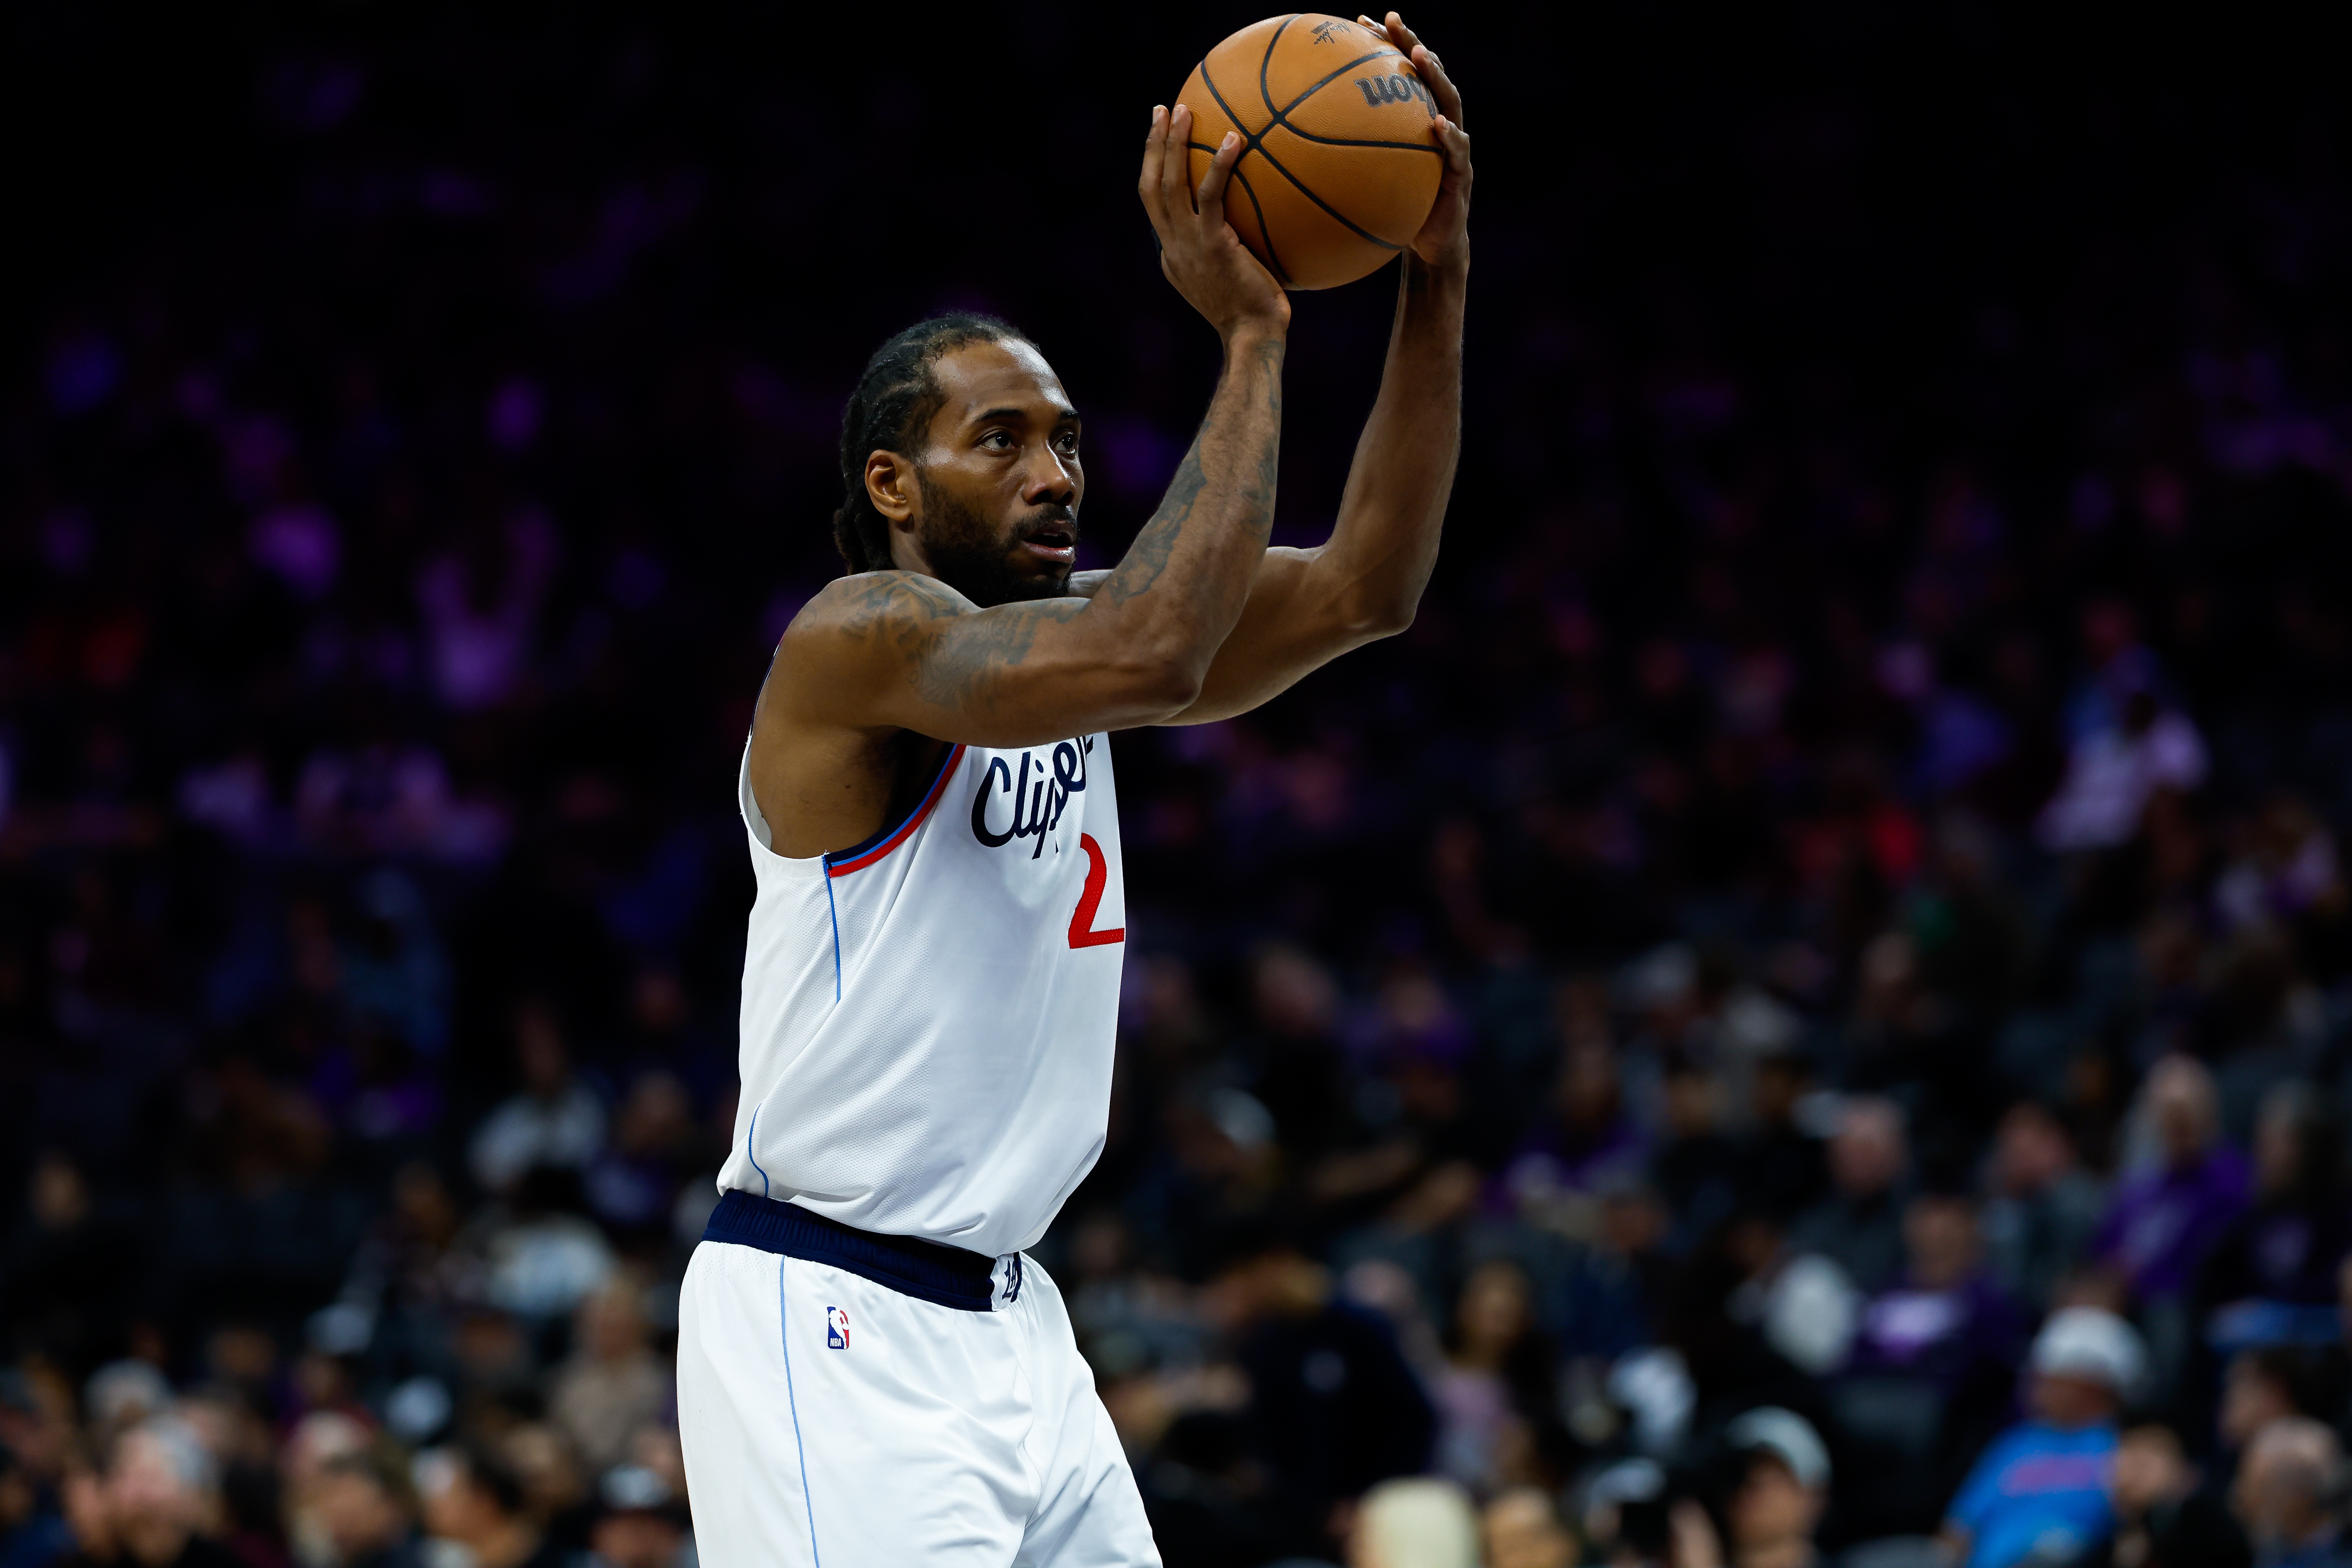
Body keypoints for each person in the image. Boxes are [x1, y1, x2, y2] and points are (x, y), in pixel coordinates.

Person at [671, 15, 1475, 1567]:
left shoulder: (1087, 633)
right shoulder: (861, 640)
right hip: (834, 1318)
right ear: (894, 486)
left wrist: (1431, 272)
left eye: (1064, 439)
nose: (1056, 473)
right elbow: (1156, 653)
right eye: (1002, 442)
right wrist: (1255, 337)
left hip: (1018, 1320)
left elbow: (1371, 584)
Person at [1939, 1306, 2146, 1568]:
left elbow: (2133, 1537)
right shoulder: (2016, 1442)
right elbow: (1958, 1528)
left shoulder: (2123, 1448)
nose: (2035, 1385)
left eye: (2052, 1378)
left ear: (2093, 1386)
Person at [2233, 1417, 2352, 1568]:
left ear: (2297, 1501)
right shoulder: (2276, 1553)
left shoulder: (2339, 1560)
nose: (2240, 1505)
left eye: (2259, 1492)